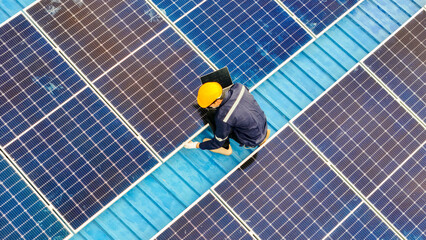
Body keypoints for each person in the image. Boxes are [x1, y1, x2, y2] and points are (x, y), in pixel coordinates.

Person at [184, 81, 270, 155]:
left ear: (217, 101)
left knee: (211, 115)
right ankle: (262, 138)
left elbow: (217, 143)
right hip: (263, 126)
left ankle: (226, 148)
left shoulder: (223, 117)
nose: (208, 107)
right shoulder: (239, 87)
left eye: (209, 105)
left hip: (250, 140)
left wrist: (196, 145)